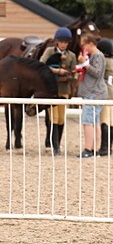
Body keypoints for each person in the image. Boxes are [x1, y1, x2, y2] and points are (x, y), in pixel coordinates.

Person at [39, 26, 76, 156]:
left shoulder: (71, 56)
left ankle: (58, 143)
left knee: (61, 118)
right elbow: (41, 65)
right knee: (53, 117)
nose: (64, 44)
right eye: (62, 42)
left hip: (64, 89)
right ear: (57, 42)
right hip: (52, 89)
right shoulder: (49, 51)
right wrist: (56, 71)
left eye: (66, 42)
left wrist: (68, 76)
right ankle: (55, 146)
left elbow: (74, 72)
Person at [74, 33, 106, 158]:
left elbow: (97, 72)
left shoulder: (97, 56)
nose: (83, 48)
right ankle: (94, 149)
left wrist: (85, 64)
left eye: (84, 45)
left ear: (90, 44)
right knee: (95, 122)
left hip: (93, 92)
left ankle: (88, 149)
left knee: (88, 121)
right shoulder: (95, 56)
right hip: (94, 92)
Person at [96, 39, 113, 156]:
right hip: (111, 91)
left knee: (104, 120)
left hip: (104, 92)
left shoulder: (104, 61)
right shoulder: (112, 61)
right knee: (110, 121)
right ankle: (109, 147)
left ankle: (104, 147)